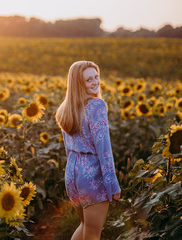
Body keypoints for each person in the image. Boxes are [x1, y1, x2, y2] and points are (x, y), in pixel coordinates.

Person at [55, 61, 121, 240]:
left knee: (84, 226)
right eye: (88, 80)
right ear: (78, 84)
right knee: (93, 234)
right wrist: (112, 184)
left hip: (72, 176)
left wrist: (74, 175)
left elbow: (68, 148)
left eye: (96, 77)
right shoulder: (96, 106)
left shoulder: (65, 109)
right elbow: (104, 149)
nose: (95, 82)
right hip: (92, 176)